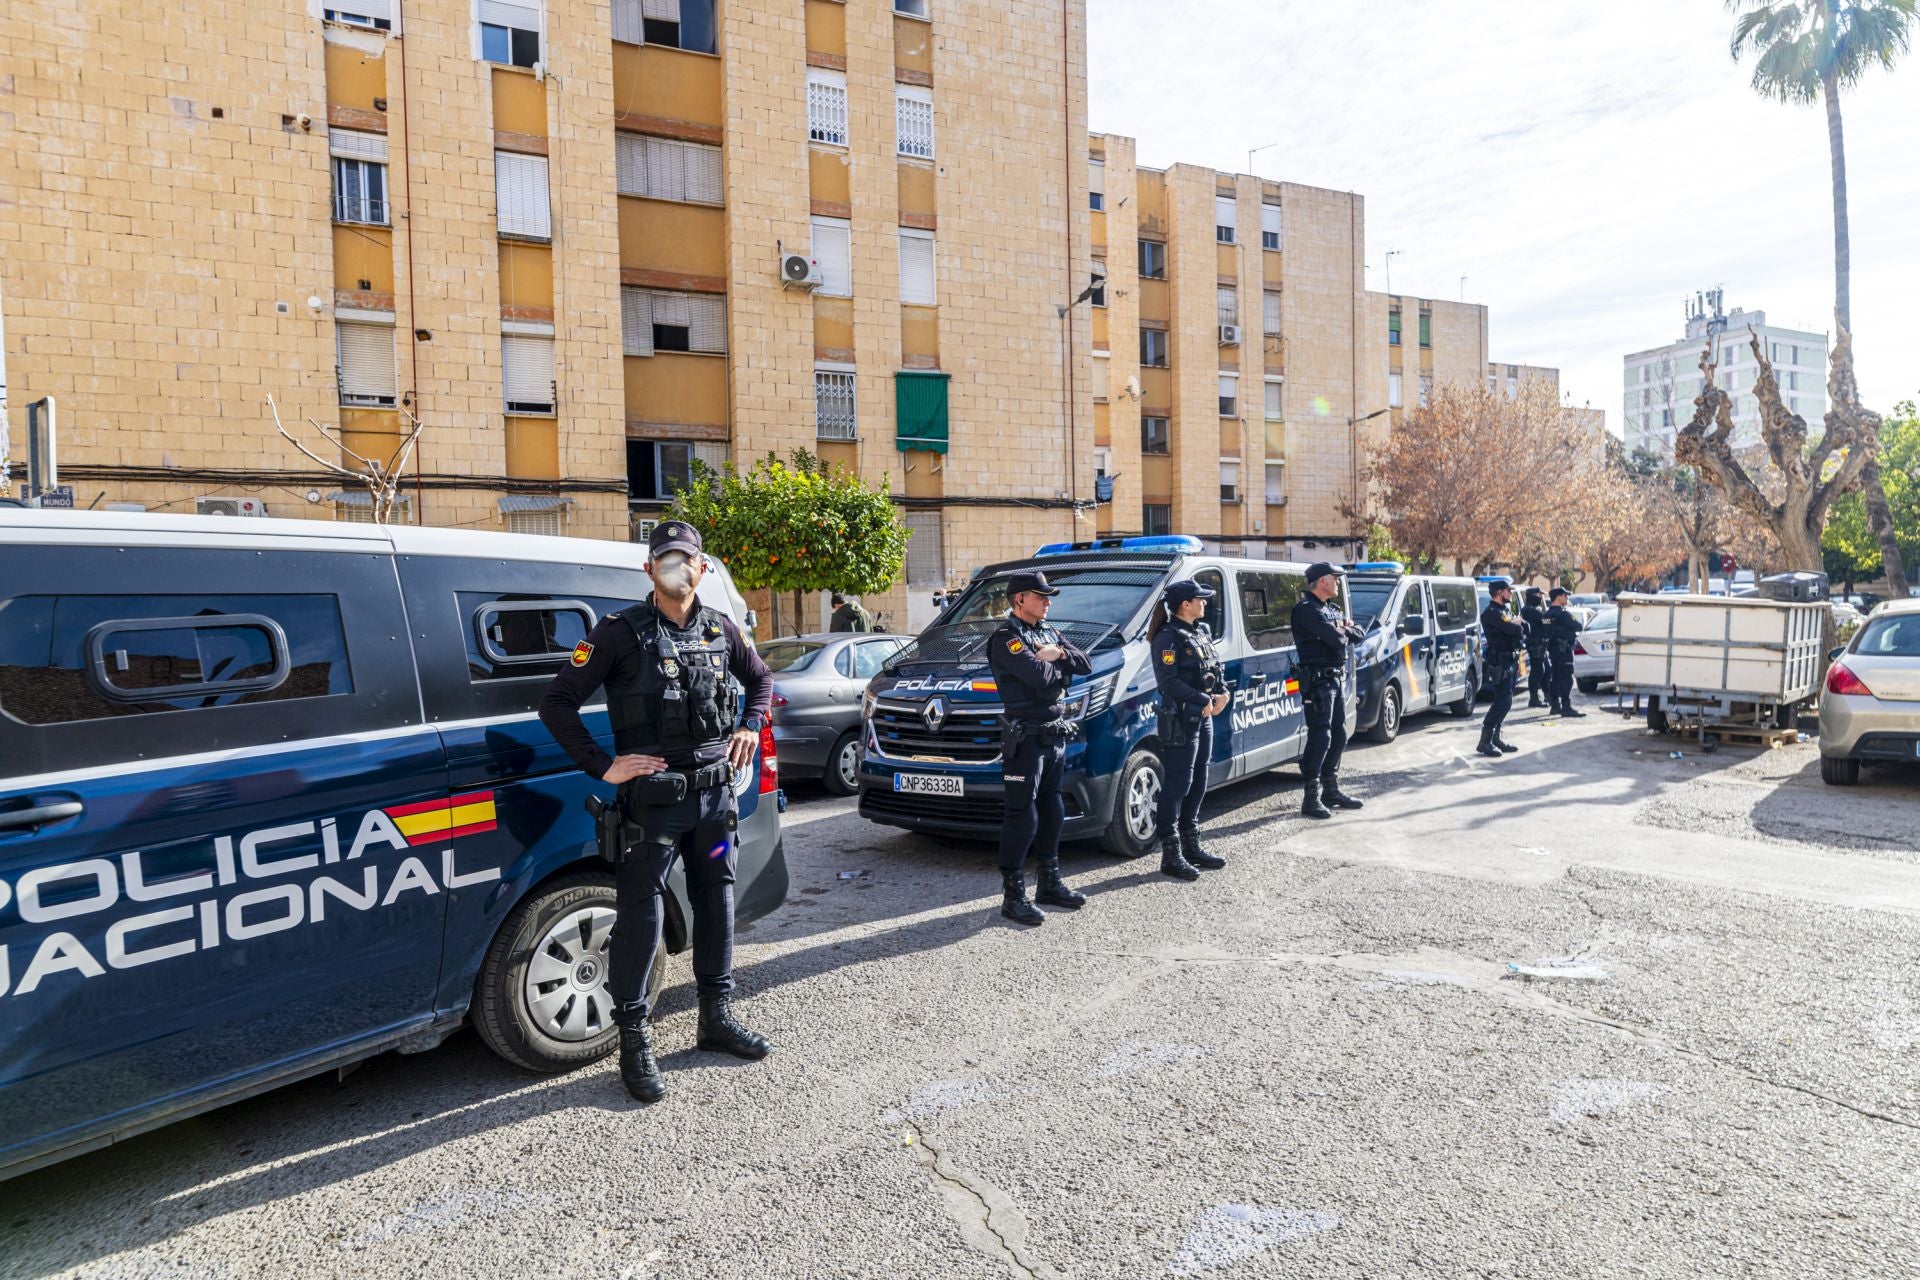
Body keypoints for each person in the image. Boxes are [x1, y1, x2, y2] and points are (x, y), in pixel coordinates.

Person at [538, 519, 774, 1104]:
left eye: (686, 559)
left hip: (714, 806)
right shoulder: (616, 634)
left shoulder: (723, 628)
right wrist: (602, 765)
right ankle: (634, 1039)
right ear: (650, 570)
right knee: (641, 918)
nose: (677, 567)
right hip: (654, 809)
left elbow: (763, 681)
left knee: (716, 898)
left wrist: (749, 726)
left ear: (701, 568)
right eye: (665, 559)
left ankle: (715, 1017)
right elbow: (557, 703)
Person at [986, 569, 1093, 925]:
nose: (1048, 602)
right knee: (1022, 815)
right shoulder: (1006, 638)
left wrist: (1058, 653)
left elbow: (1085, 663)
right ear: (1019, 599)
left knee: (1053, 809)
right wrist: (1060, 666)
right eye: (1040, 596)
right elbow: (1040, 677)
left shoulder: (1049, 633)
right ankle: (1013, 895)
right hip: (1026, 738)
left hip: (1053, 735)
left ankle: (1049, 882)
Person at [1150, 579, 1231, 880]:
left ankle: (1191, 845)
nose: (1205, 603)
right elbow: (1167, 682)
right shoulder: (1167, 638)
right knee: (1178, 783)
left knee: (1199, 779)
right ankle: (1171, 855)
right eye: (1201, 599)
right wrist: (1201, 699)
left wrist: (1223, 693)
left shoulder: (1201, 632)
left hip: (1204, 715)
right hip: (1181, 720)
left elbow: (1214, 669)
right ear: (1185, 604)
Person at [1290, 562, 1367, 820]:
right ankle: (1310, 797)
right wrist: (1343, 630)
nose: (1337, 583)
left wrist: (1343, 629)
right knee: (1320, 736)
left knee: (1340, 734)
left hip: (1336, 680)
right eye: (1335, 578)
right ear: (1322, 581)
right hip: (1318, 683)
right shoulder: (1306, 610)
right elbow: (1337, 639)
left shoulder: (1331, 610)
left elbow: (1359, 633)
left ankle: (1330, 790)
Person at [1477, 580, 1525, 757]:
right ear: (1498, 592)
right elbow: (1515, 629)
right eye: (1508, 590)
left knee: (1507, 701)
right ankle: (1485, 740)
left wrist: (1518, 623)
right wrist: (1517, 624)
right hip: (1500, 663)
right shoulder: (1492, 613)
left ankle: (1495, 738)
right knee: (1503, 702)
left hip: (1511, 661)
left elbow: (1524, 627)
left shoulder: (1505, 611)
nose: (1511, 593)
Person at [1543, 586, 1586, 718]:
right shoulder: (1562, 614)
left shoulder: (1546, 615)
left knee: (1555, 678)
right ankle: (1566, 707)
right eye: (1565, 596)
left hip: (1553, 651)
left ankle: (1555, 705)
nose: (1567, 598)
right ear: (1558, 597)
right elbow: (1579, 626)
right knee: (1566, 678)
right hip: (1564, 650)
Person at [1521, 586, 1551, 708]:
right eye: (1539, 596)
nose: (1541, 598)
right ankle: (1534, 698)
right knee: (1538, 671)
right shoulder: (1529, 610)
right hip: (1535, 644)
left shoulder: (1534, 609)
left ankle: (1547, 695)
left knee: (1547, 670)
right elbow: (1547, 620)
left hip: (1541, 644)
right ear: (1533, 596)